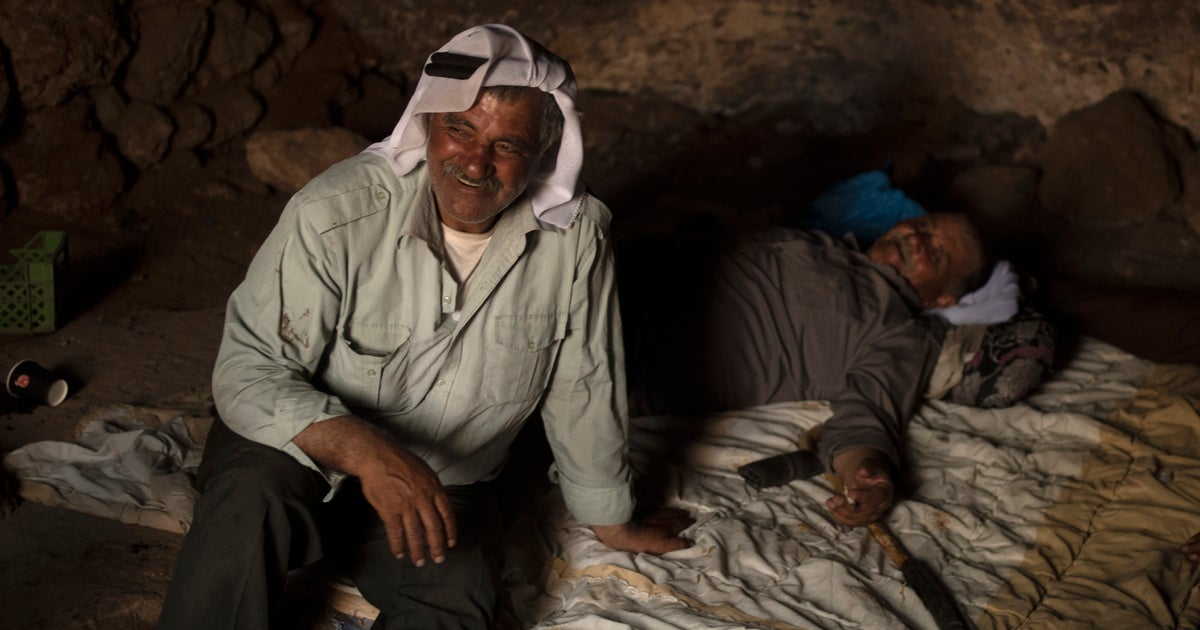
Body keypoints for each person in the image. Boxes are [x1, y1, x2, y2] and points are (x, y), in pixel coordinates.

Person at [157, 24, 689, 630]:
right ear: (428, 124)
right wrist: (370, 454)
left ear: (543, 152)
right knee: (248, 501)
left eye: (507, 144)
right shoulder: (336, 212)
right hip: (293, 457)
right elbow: (247, 372)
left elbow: (584, 382)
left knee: (458, 598)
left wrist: (610, 517)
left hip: (442, 484)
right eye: (459, 129)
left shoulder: (575, 237)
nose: (475, 162)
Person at [622, 212, 987, 529]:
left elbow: (868, 413)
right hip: (623, 272)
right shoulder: (830, 246)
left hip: (636, 353)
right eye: (923, 226)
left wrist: (865, 475)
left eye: (935, 255)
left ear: (942, 300)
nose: (917, 241)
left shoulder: (902, 329)